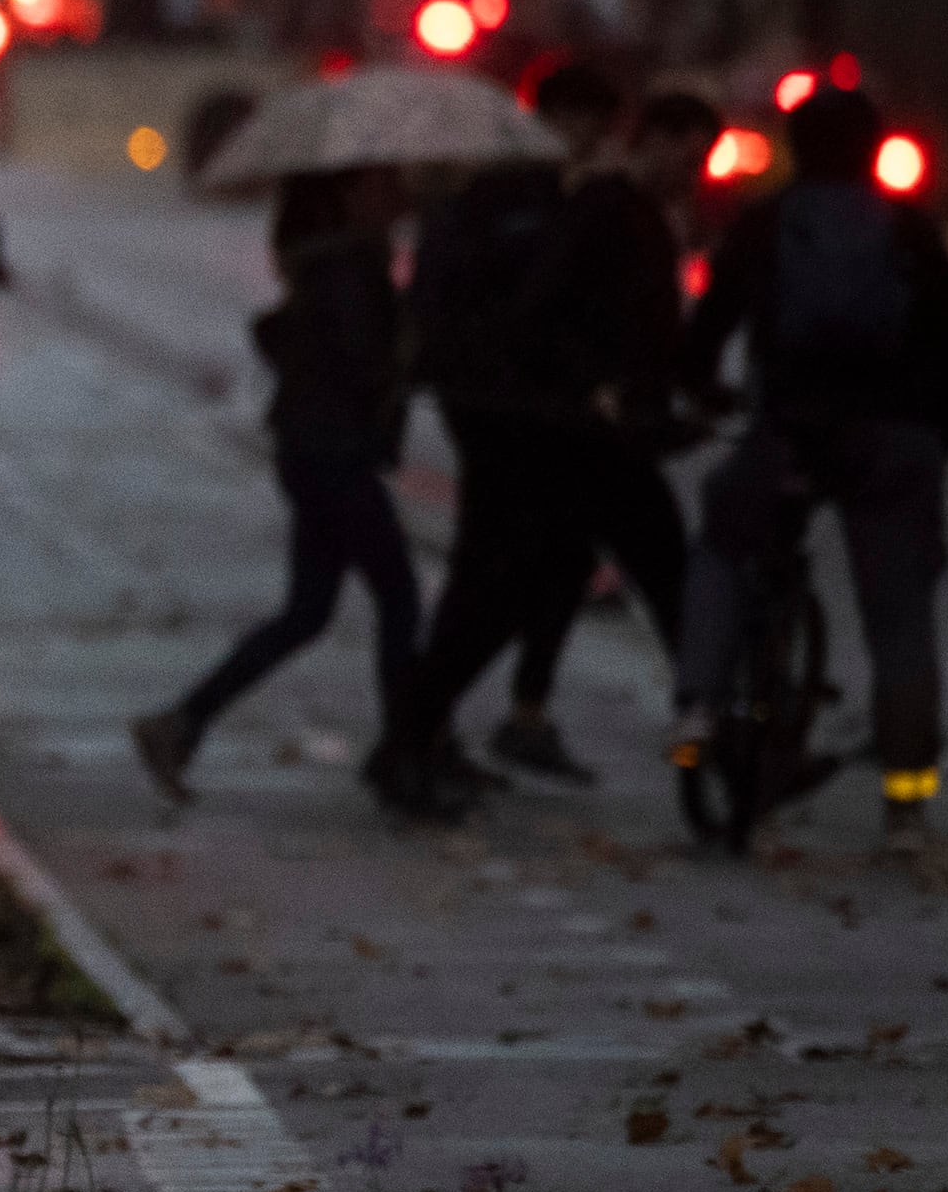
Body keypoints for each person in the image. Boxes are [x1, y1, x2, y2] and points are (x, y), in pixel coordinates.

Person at [375, 67, 693, 806]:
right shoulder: (519, 202)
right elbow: (527, 311)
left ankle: (426, 735)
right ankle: (417, 737)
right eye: (580, 121)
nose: (589, 139)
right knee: (505, 581)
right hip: (512, 414)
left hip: (521, 414)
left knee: (509, 578)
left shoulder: (541, 199)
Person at [672, 87, 948, 848]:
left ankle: (700, 707)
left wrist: (699, 389)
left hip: (789, 432)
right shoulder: (908, 232)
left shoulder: (767, 224)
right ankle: (906, 801)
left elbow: (709, 327)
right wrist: (934, 436)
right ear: (873, 147)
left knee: (727, 539)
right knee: (900, 617)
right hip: (892, 438)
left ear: (794, 147)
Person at [131, 169, 417, 805]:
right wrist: (406, 341)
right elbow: (361, 362)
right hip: (337, 456)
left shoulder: (326, 267)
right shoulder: (351, 270)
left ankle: (182, 722)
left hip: (313, 452)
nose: (396, 195)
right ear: (349, 194)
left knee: (308, 611)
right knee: (398, 600)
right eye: (382, 186)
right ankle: (406, 751)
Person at [480, 81, 715, 781]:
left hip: (598, 426)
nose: (693, 173)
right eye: (688, 155)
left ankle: (525, 713)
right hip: (597, 432)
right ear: (651, 141)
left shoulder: (635, 211)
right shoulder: (611, 208)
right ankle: (699, 718)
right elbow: (544, 310)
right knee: (668, 568)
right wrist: (595, 386)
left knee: (561, 569)